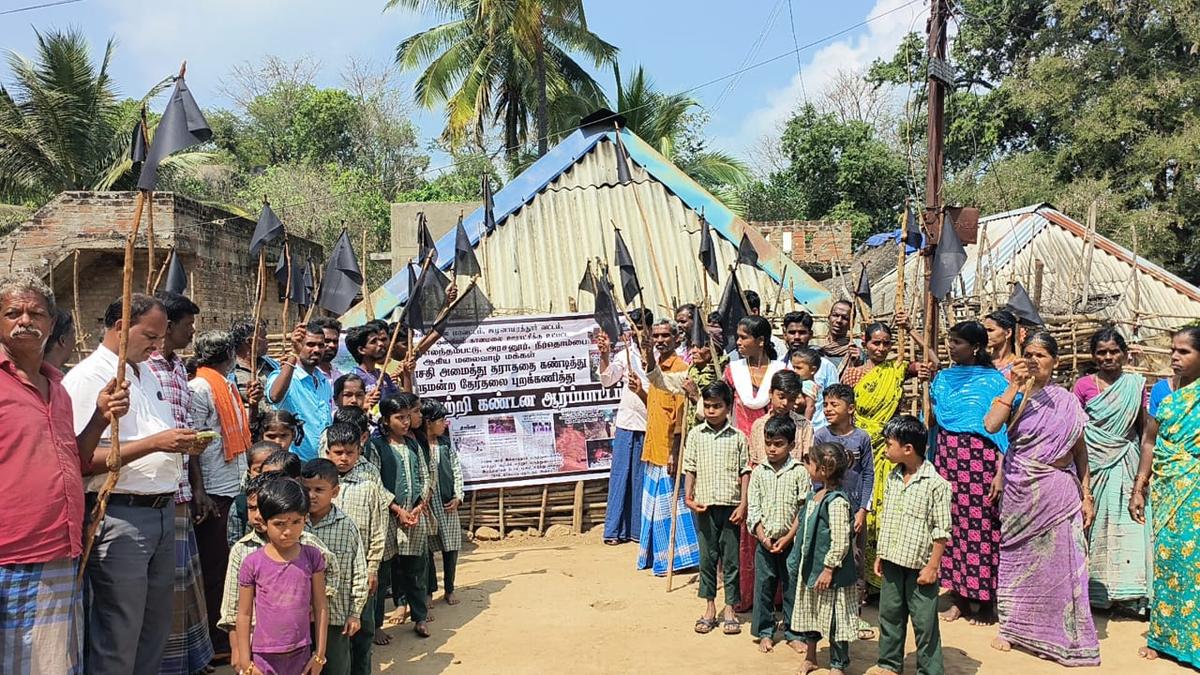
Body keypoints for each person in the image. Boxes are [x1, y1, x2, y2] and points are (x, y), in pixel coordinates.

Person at [64, 293, 204, 675]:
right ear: (122, 328)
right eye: (150, 336)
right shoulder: (88, 378)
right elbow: (82, 459)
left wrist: (176, 443)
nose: (158, 346)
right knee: (119, 630)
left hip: (161, 512)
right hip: (121, 515)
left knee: (153, 627)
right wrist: (155, 444)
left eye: (161, 338)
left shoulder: (144, 373)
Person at [0, 275, 127, 675]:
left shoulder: (58, 388)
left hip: (59, 549)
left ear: (52, 324)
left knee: (51, 663)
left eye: (36, 313)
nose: (25, 320)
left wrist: (101, 418)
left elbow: (74, 459)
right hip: (10, 555)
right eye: (12, 313)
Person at [983, 331, 1100, 666]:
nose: (1033, 360)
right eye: (1029, 354)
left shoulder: (1068, 401)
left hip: (1060, 490)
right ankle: (1013, 629)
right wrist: (1014, 386)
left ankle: (1058, 632)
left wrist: (1086, 494)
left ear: (1055, 362)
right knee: (1018, 561)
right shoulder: (1014, 393)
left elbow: (1080, 452)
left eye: (1041, 355)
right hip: (1021, 490)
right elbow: (991, 425)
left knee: (1061, 564)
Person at [146, 291, 214, 674]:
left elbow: (189, 434)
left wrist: (198, 487)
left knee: (188, 581)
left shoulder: (177, 369)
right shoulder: (146, 369)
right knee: (167, 588)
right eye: (187, 326)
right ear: (167, 327)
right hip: (158, 491)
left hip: (183, 490)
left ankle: (193, 656)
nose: (192, 333)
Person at [926, 320, 1008, 625]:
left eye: (958, 342)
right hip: (948, 459)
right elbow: (934, 419)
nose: (951, 346)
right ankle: (959, 597)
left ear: (975, 348)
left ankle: (986, 601)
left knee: (984, 527)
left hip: (981, 461)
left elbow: (1002, 434)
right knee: (952, 526)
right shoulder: (943, 379)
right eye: (950, 340)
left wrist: (1000, 473)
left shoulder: (992, 382)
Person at [1130, 326, 1200, 667]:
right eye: (1174, 350)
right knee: (1169, 562)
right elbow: (1149, 441)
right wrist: (1139, 486)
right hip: (1168, 488)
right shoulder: (1163, 393)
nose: (1175, 356)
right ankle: (1163, 638)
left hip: (1196, 490)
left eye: (1185, 351)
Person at [219, 473, 338, 671]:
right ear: (264, 522)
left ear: (305, 519)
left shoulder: (312, 556)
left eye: (296, 522)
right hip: (262, 655)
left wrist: (319, 655)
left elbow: (321, 606)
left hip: (301, 651)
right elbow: (243, 614)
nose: (288, 531)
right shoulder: (252, 563)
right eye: (279, 524)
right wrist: (246, 661)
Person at [1073, 327, 1148, 614]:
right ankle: (1097, 595)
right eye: (1101, 352)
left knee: (1128, 526)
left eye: (1114, 351)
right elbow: (1075, 428)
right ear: (1093, 356)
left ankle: (1129, 596)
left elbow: (1142, 430)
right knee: (1094, 527)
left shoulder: (1135, 385)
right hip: (1093, 464)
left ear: (1124, 354)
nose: (1108, 357)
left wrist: (1142, 478)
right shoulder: (1083, 386)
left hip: (1127, 462)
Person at [189, 329, 253, 662]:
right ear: (228, 354)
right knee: (215, 569)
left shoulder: (226, 384)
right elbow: (195, 445)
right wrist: (199, 489)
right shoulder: (200, 388)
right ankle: (216, 642)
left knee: (230, 563)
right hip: (213, 489)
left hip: (233, 482)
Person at [841, 321, 919, 589]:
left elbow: (931, 365)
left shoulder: (897, 370)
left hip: (888, 452)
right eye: (876, 342)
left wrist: (910, 330)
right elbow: (844, 412)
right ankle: (860, 580)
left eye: (887, 343)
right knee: (860, 513)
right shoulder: (853, 375)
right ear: (865, 343)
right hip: (860, 450)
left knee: (885, 512)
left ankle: (881, 582)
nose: (882, 348)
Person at [869, 415, 949, 675]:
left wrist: (933, 567)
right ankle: (889, 664)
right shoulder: (892, 478)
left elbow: (941, 530)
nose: (885, 449)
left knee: (924, 623)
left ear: (907, 449)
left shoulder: (936, 484)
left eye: (888, 444)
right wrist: (881, 554)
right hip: (893, 560)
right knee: (889, 615)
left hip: (920, 567)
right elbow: (887, 518)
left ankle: (929, 670)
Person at [723, 315, 785, 612]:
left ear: (760, 340)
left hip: (773, 450)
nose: (738, 341)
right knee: (746, 520)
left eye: (744, 337)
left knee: (775, 516)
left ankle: (776, 595)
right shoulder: (732, 371)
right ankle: (746, 593)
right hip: (741, 453)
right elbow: (720, 407)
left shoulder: (779, 371)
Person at [684, 381, 750, 636]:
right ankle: (710, 607)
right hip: (704, 506)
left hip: (731, 506)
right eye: (708, 406)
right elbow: (690, 468)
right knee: (707, 559)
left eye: (717, 406)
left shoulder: (738, 437)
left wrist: (743, 504)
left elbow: (745, 472)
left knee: (731, 560)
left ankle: (730, 608)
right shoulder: (696, 435)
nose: (712, 411)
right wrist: (688, 497)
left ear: (728, 407)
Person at [326, 420, 393, 668]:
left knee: (363, 631)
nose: (343, 458)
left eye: (349, 453)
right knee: (334, 634)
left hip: (360, 572)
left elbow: (378, 530)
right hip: (328, 575)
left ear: (359, 451)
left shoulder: (368, 487)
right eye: (338, 453)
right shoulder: (318, 486)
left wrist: (373, 567)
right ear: (328, 452)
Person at [635, 320, 699, 576]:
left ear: (676, 338)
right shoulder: (658, 368)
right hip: (654, 447)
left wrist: (674, 450)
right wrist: (640, 391)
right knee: (654, 509)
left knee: (672, 508)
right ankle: (658, 557)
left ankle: (680, 559)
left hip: (668, 450)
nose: (660, 340)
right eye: (656, 336)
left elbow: (679, 415)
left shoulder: (680, 369)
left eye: (665, 336)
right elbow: (656, 406)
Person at [812, 383, 875, 640]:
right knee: (825, 559)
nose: (828, 409)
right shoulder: (821, 436)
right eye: (825, 404)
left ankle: (855, 615)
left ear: (850, 409)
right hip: (828, 509)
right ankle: (823, 615)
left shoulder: (862, 438)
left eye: (834, 404)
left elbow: (868, 473)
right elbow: (816, 476)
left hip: (854, 510)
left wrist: (862, 510)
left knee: (855, 561)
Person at [747, 415, 810, 653]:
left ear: (792, 446)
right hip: (764, 541)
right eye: (768, 443)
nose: (772, 449)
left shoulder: (799, 472)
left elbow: (802, 509)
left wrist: (788, 537)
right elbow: (753, 509)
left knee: (792, 586)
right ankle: (765, 631)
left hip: (790, 541)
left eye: (779, 444)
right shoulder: (759, 472)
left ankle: (794, 632)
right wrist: (762, 537)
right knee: (763, 586)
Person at [792, 442, 855, 674]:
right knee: (811, 614)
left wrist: (829, 568)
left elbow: (841, 540)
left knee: (835, 619)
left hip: (831, 575)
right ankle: (811, 657)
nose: (807, 465)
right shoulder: (814, 496)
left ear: (823, 470)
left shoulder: (837, 502)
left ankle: (837, 664)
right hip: (811, 569)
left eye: (810, 462)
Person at [303, 458, 370, 675]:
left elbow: (359, 571)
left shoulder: (347, 526)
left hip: (336, 615)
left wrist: (355, 613)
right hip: (300, 616)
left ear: (335, 491)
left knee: (336, 668)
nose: (311, 495)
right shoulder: (294, 524)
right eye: (307, 489)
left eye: (319, 489)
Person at [379, 394, 433, 639]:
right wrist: (398, 510)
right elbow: (376, 483)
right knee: (384, 572)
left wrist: (419, 505)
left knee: (415, 568)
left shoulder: (413, 445)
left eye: (406, 417)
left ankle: (419, 617)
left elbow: (425, 474)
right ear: (386, 420)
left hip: (414, 515)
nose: (405, 423)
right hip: (388, 517)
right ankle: (378, 625)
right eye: (398, 418)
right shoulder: (377, 446)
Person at [598, 308, 652, 546]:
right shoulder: (626, 354)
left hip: (651, 421)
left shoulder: (660, 355)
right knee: (621, 475)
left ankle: (639, 530)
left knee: (642, 478)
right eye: (633, 328)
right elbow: (608, 379)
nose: (637, 333)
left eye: (641, 328)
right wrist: (605, 355)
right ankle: (614, 530)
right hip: (628, 422)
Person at [267, 322, 334, 461]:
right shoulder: (283, 377)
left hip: (321, 462)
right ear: (299, 346)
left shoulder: (323, 381)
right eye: (310, 344)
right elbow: (274, 396)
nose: (316, 350)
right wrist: (293, 355)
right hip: (293, 462)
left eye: (321, 345)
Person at [421, 400, 464, 605]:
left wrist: (458, 496)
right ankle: (429, 591)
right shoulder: (417, 444)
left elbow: (456, 470)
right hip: (426, 505)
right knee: (427, 549)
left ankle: (449, 588)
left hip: (447, 501)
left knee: (451, 546)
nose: (444, 424)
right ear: (428, 422)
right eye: (441, 420)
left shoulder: (445, 444)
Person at [781, 311, 840, 429]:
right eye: (792, 333)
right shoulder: (779, 365)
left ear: (810, 334)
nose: (796, 337)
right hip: (786, 432)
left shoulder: (826, 367)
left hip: (817, 430)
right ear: (784, 335)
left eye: (802, 333)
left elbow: (834, 402)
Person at [747, 369, 813, 465]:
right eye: (781, 397)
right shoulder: (758, 425)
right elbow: (754, 461)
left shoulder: (804, 425)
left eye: (791, 399)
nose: (785, 403)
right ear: (770, 393)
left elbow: (807, 461)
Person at [226, 441, 281, 548]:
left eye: (271, 470)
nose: (264, 474)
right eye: (258, 470)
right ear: (249, 472)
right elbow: (234, 542)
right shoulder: (240, 504)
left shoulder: (291, 500)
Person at [229, 317, 271, 438]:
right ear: (250, 341)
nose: (267, 341)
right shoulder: (231, 373)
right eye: (264, 337)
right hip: (247, 436)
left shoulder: (271, 366)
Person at [346, 320, 398, 408]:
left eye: (380, 340)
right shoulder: (353, 379)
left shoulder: (384, 376)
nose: (381, 344)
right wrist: (363, 404)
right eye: (374, 341)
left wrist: (406, 375)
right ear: (361, 350)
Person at [819, 300, 860, 373]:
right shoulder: (816, 350)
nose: (839, 320)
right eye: (835, 315)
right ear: (829, 318)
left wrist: (857, 364)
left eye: (845, 318)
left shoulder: (855, 353)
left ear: (852, 324)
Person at [983, 309, 1019, 379]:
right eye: (984, 330)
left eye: (990, 330)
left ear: (1008, 333)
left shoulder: (1018, 366)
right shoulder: (981, 362)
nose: (985, 334)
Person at [314, 317, 345, 385]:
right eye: (327, 341)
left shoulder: (340, 377)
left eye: (335, 341)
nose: (332, 345)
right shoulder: (307, 375)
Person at [43, 306, 76, 371]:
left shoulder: (30, 373)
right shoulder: (68, 378)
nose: (75, 341)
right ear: (62, 340)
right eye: (73, 335)